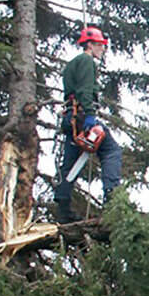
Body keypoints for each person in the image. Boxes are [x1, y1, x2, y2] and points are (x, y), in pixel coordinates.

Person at [54, 27, 122, 223]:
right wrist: (91, 116)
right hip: (81, 116)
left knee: (71, 164)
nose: (102, 49)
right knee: (111, 151)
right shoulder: (86, 61)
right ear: (90, 44)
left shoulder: (72, 64)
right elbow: (84, 90)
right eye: (100, 45)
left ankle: (63, 209)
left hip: (71, 117)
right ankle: (111, 198)